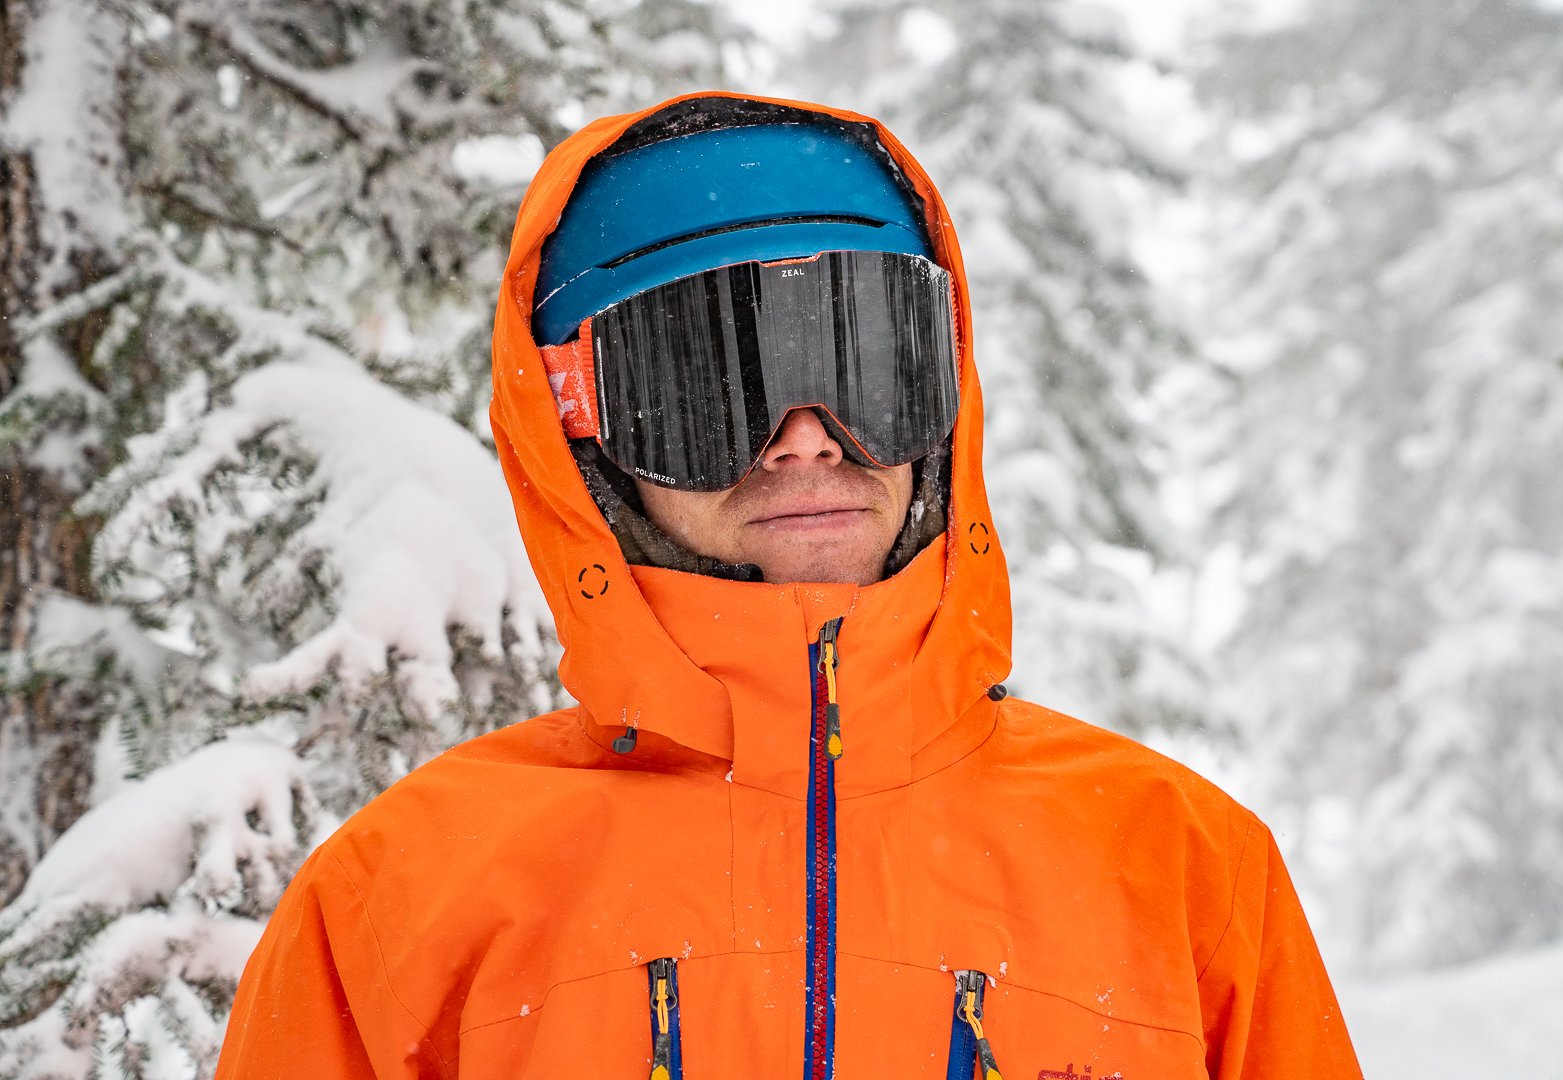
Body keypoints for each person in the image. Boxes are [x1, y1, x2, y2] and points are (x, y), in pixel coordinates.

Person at [217, 92, 1361, 1080]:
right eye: (705, 381)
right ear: (580, 432)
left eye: (861, 360)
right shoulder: (409, 888)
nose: (806, 440)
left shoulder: (1178, 866)